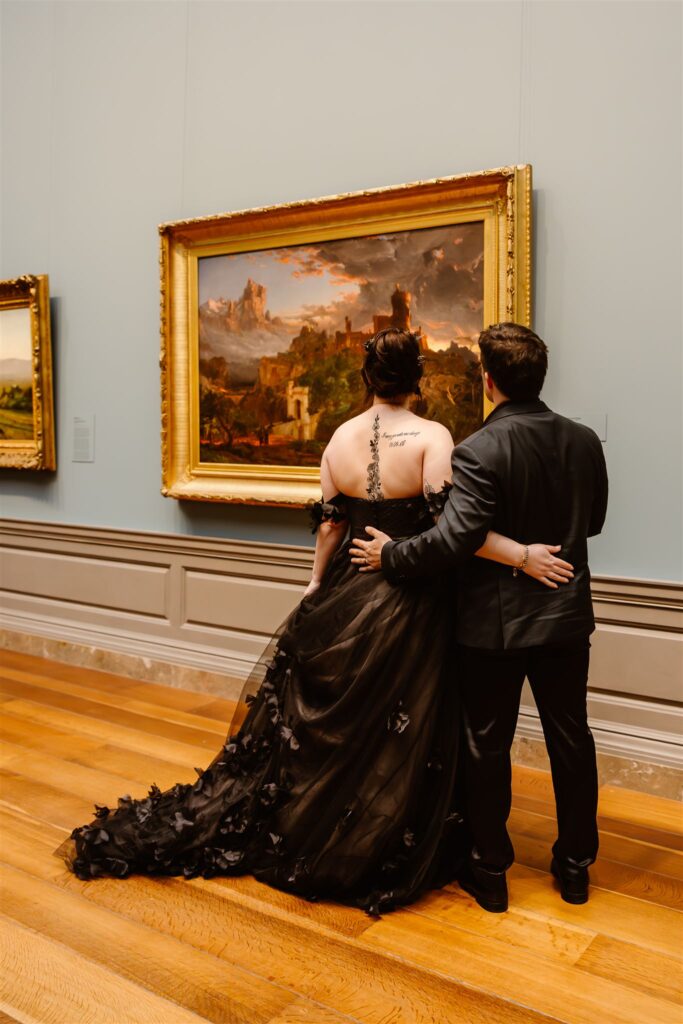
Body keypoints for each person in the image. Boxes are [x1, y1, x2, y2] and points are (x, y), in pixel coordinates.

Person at [54, 327, 572, 919]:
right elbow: (451, 529)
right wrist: (514, 555)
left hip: (350, 588)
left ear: (366, 378)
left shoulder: (338, 440)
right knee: (401, 726)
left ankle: (330, 827)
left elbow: (330, 526)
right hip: (415, 596)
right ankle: (379, 835)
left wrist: (315, 585)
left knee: (342, 728)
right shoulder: (434, 435)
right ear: (417, 378)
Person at [351, 322, 608, 913]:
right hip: (566, 616)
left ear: (488, 381)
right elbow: (590, 523)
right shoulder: (585, 440)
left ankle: (490, 872)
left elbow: (453, 541)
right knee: (572, 739)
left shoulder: (477, 449)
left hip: (493, 627)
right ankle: (574, 869)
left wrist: (390, 554)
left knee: (487, 743)